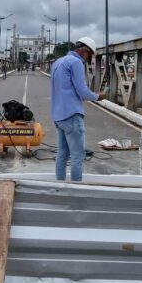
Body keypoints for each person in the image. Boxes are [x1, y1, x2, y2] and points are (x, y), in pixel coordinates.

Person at [50, 36, 106, 182]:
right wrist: (97, 96)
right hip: (72, 115)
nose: (87, 61)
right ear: (84, 51)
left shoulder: (57, 62)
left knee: (62, 154)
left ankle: (60, 185)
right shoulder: (76, 62)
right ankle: (76, 189)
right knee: (77, 156)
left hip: (58, 116)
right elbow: (82, 91)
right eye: (89, 57)